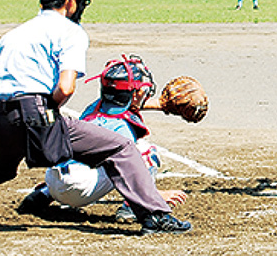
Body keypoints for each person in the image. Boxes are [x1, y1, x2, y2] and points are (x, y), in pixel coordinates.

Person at [0, 0, 191, 234]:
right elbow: (66, 88)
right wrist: (45, 115)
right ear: (71, 0)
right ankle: (155, 216)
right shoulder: (70, 32)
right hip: (35, 114)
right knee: (119, 148)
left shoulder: (12, 35)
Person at [17, 55, 188, 224]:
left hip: (53, 180)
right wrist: (156, 194)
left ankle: (43, 194)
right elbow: (126, 169)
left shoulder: (94, 107)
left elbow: (127, 102)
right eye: (142, 90)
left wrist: (161, 105)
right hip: (81, 189)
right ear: (134, 95)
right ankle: (134, 206)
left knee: (83, 157)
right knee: (143, 153)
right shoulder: (124, 127)